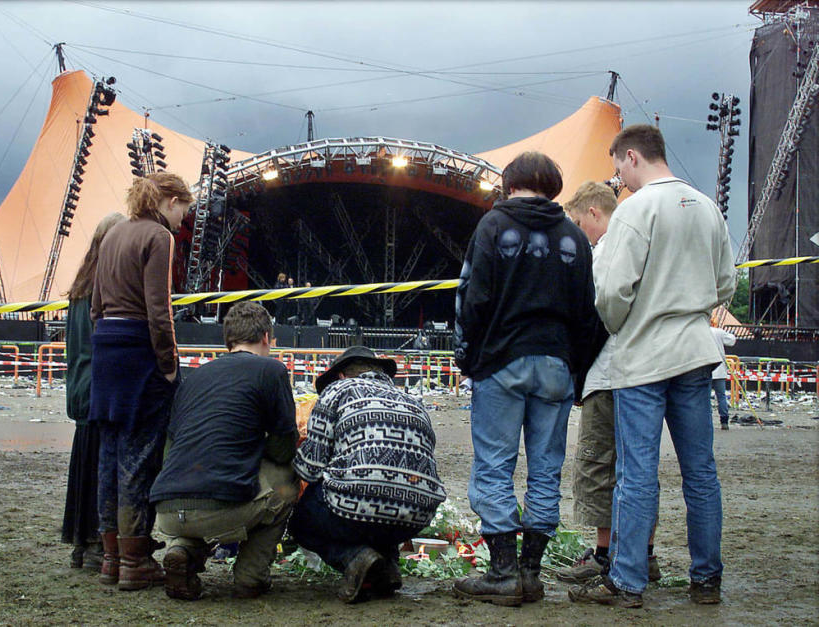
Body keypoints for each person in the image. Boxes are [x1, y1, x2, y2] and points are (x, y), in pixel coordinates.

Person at [569, 125, 735, 608]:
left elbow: (611, 292)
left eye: (619, 167)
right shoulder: (707, 206)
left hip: (643, 358)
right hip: (696, 352)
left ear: (633, 157)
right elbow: (724, 285)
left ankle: (627, 581)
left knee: (637, 473)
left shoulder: (636, 210)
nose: (619, 178)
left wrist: (626, 323)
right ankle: (707, 580)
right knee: (701, 473)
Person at [452, 151, 598, 607]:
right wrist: (578, 371)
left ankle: (502, 573)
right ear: (553, 185)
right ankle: (531, 574)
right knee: (545, 470)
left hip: (501, 360)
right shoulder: (575, 235)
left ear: (509, 183)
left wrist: (467, 356)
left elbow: (471, 297)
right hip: (556, 364)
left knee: (495, 466)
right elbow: (587, 312)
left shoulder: (493, 227)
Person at [150, 301, 300, 601]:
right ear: (267, 338)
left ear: (227, 340)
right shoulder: (272, 370)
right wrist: (257, 446)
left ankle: (182, 550)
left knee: (205, 486)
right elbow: (284, 449)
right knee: (286, 482)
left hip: (166, 509)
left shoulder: (193, 379)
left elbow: (171, 448)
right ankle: (250, 576)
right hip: (220, 508)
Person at [89, 172, 193, 591]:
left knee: (109, 455)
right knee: (139, 454)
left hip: (106, 349)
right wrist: (168, 364)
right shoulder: (158, 237)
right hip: (139, 352)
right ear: (170, 201)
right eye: (184, 210)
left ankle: (111, 557)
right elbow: (159, 310)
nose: (184, 221)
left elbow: (96, 305)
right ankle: (135, 561)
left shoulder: (113, 233)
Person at [556, 182, 662, 585]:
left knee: (600, 463)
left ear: (594, 214)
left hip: (609, 373)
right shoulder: (644, 244)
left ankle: (604, 554)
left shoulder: (605, 251)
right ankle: (643, 554)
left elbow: (596, 311)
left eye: (580, 223)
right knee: (639, 467)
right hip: (646, 373)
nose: (580, 232)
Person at [290, 346, 446, 603]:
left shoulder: (337, 391)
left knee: (302, 521)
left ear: (341, 376)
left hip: (357, 508)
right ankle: (387, 565)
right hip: (418, 515)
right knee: (385, 495)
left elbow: (310, 467)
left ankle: (355, 558)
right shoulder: (414, 403)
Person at [62, 212, 126, 570]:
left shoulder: (79, 290)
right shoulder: (102, 292)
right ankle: (99, 542)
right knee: (102, 473)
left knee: (84, 471)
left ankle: (81, 543)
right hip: (99, 393)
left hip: (82, 393)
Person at [710, 324, 737, 430]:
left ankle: (706, 421)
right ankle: (724, 421)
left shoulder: (701, 331)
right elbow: (731, 341)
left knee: (704, 397)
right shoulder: (719, 332)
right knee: (721, 396)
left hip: (705, 369)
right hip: (719, 369)